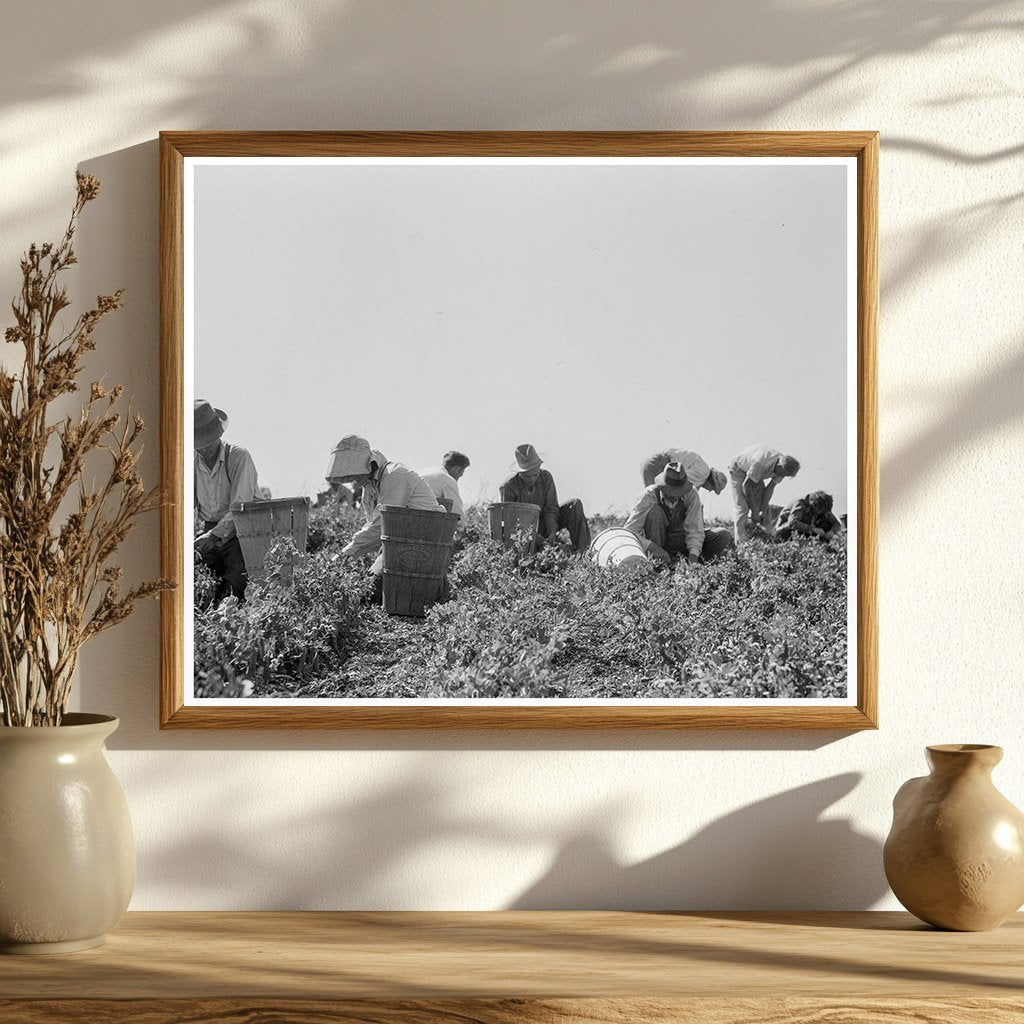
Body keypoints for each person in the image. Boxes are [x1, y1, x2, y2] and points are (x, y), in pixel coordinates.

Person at [327, 435, 445, 602]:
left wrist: (343, 556)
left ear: (368, 463)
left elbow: (380, 527)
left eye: (354, 472)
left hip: (424, 544)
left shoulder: (394, 476)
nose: (353, 478)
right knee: (364, 591)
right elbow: (374, 527)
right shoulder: (369, 486)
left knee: (367, 595)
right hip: (400, 545)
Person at [193, 399, 259, 603]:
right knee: (203, 590)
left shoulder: (238, 456)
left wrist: (212, 536)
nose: (204, 449)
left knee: (235, 587)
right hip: (209, 530)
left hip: (243, 533)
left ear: (219, 434)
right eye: (198, 445)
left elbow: (240, 507)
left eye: (208, 442)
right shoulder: (191, 464)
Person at [623, 462, 734, 566]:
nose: (675, 495)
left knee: (722, 535)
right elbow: (629, 531)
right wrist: (653, 548)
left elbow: (695, 529)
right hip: (657, 542)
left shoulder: (692, 494)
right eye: (671, 491)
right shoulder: (649, 495)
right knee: (655, 512)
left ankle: (701, 570)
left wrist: (693, 556)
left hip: (681, 541)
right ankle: (658, 566)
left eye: (679, 491)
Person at [499, 443, 591, 553]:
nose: (532, 479)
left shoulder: (546, 477)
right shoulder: (508, 486)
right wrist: (535, 536)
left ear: (539, 467)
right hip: (523, 530)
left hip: (544, 524)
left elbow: (551, 509)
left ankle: (583, 552)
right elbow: (511, 522)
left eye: (535, 474)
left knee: (574, 505)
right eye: (528, 476)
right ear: (520, 473)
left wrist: (551, 532)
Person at [729, 445, 801, 544]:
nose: (782, 476)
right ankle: (741, 544)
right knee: (742, 508)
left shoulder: (783, 469)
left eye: (786, 476)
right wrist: (754, 511)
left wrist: (763, 508)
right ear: (779, 466)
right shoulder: (761, 464)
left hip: (755, 474)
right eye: (783, 474)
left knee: (764, 508)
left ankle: (767, 538)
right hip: (739, 470)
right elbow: (747, 486)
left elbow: (769, 489)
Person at [641, 448, 728, 495]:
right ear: (712, 482)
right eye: (712, 489)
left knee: (652, 498)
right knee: (652, 499)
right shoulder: (703, 474)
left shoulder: (702, 471)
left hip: (654, 462)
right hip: (659, 465)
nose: (709, 490)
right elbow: (680, 481)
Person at [419, 451, 470, 524]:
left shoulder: (424, 471)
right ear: (456, 469)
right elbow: (458, 514)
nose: (461, 475)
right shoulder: (447, 480)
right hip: (424, 523)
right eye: (461, 472)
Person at [775, 490, 843, 542]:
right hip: (785, 530)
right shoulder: (801, 503)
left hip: (806, 531)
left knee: (826, 525)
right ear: (814, 505)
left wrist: (831, 532)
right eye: (820, 511)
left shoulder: (824, 508)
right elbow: (792, 523)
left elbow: (836, 524)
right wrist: (813, 529)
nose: (820, 513)